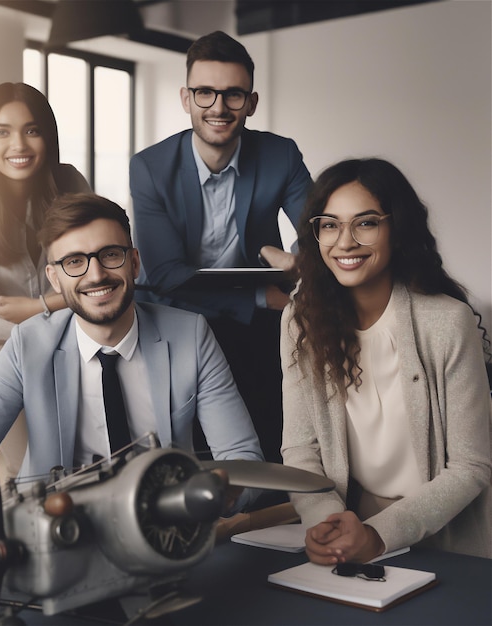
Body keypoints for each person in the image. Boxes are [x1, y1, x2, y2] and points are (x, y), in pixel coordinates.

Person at [0, 192, 264, 522]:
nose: (96, 274)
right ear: (54, 278)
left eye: (110, 255)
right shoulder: (28, 343)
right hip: (58, 538)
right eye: (75, 262)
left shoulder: (191, 334)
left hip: (165, 532)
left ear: (134, 263)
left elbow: (244, 459)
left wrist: (223, 493)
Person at [273, 158, 491, 562]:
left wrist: (377, 535)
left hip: (448, 537)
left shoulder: (446, 322)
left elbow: (471, 465)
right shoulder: (299, 321)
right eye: (330, 224)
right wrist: (329, 523)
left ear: (397, 229)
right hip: (350, 527)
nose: (345, 242)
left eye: (366, 223)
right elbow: (301, 448)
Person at [129, 30, 311, 463]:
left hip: (256, 327)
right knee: (186, 453)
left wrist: (303, 259)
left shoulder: (279, 155)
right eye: (205, 92)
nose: (218, 107)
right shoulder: (150, 167)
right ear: (186, 98)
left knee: (272, 435)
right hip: (175, 318)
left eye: (233, 95)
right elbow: (166, 276)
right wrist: (256, 295)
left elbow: (320, 229)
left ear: (251, 102)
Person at [0, 82, 91, 478]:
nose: (18, 145)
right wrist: (58, 309)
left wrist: (39, 306)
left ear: (48, 136)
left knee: (73, 455)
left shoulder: (71, 185)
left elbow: (92, 274)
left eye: (32, 129)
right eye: (1, 132)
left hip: (62, 332)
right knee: (30, 466)